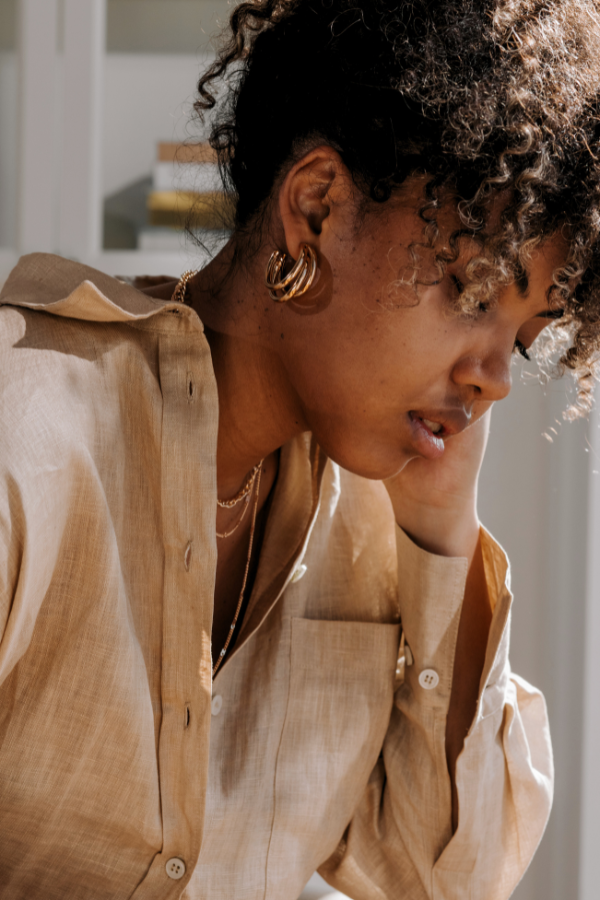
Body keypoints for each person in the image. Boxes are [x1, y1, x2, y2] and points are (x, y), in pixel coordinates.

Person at [1, 1, 600, 898]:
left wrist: (443, 534)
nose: (495, 380)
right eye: (475, 294)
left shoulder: (373, 527)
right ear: (316, 209)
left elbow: (445, 879)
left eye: (519, 338)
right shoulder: (29, 430)